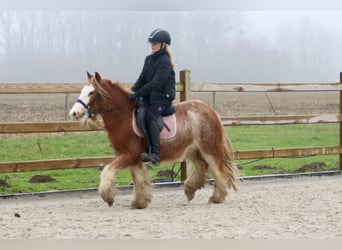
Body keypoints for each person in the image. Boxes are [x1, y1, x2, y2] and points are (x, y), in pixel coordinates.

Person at [129, 28, 176, 166]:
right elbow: (142, 79)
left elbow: (156, 83)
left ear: (164, 44)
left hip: (163, 96)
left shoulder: (165, 61)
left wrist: (138, 94)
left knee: (151, 116)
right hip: (150, 95)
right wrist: (131, 92)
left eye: (155, 43)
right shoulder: (149, 59)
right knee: (138, 111)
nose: (152, 45)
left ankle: (155, 153)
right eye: (151, 43)